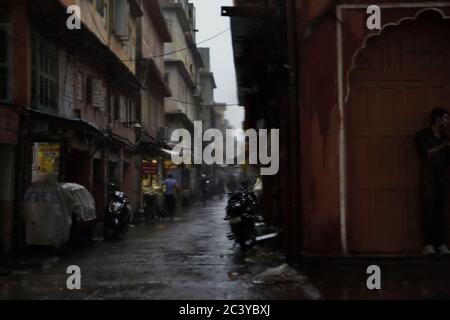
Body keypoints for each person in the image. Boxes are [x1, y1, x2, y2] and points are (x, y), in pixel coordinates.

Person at [415, 107, 450, 255]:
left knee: (441, 212)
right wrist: (444, 146)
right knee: (429, 210)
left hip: (442, 178)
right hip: (428, 178)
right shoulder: (422, 135)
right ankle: (427, 245)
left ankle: (440, 244)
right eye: (446, 118)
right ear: (437, 118)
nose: (448, 121)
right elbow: (426, 154)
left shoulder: (444, 137)